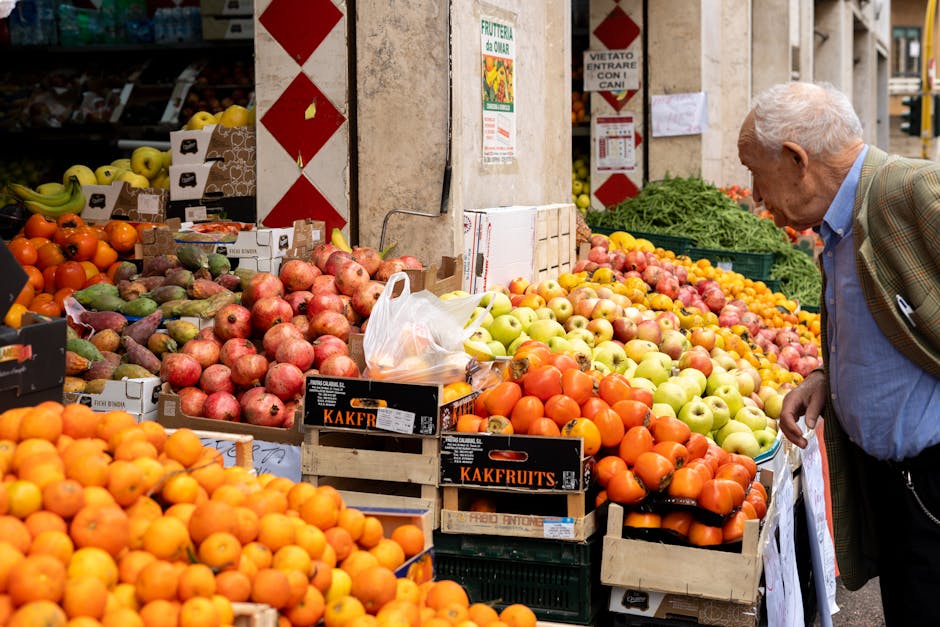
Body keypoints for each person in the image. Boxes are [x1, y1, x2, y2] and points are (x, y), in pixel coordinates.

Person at [737, 81, 940, 626]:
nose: (756, 196)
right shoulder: (840, 224)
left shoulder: (913, 191)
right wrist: (829, 378)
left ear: (796, 160)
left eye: (756, 173)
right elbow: (891, 325)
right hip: (895, 487)